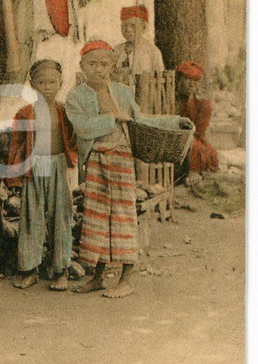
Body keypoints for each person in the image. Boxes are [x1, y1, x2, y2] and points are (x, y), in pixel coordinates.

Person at [66, 41, 191, 298]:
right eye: (92, 64)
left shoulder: (122, 93)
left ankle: (126, 279)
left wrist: (176, 121)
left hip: (122, 159)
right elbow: (83, 128)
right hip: (96, 162)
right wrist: (112, 118)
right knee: (97, 217)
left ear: (112, 66)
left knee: (123, 215)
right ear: (82, 67)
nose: (98, 70)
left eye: (104, 64)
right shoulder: (75, 97)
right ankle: (99, 277)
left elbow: (141, 119)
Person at [6, 60, 77, 291]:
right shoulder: (25, 113)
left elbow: (75, 139)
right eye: (42, 82)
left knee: (60, 217)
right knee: (32, 216)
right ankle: (29, 270)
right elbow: (16, 146)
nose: (47, 86)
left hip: (57, 165)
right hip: (35, 166)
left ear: (61, 84)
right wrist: (15, 176)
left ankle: (61, 270)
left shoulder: (65, 111)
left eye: (52, 82)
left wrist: (74, 162)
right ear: (32, 84)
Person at [175, 60, 219, 177]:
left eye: (195, 82)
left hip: (191, 136)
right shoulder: (170, 97)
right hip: (173, 134)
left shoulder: (200, 102)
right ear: (179, 79)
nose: (191, 85)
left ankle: (192, 172)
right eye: (188, 79)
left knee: (205, 150)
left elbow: (200, 131)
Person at [113, 5, 165, 84]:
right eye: (125, 25)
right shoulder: (117, 50)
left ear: (143, 27)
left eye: (133, 26)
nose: (128, 29)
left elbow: (159, 79)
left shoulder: (152, 51)